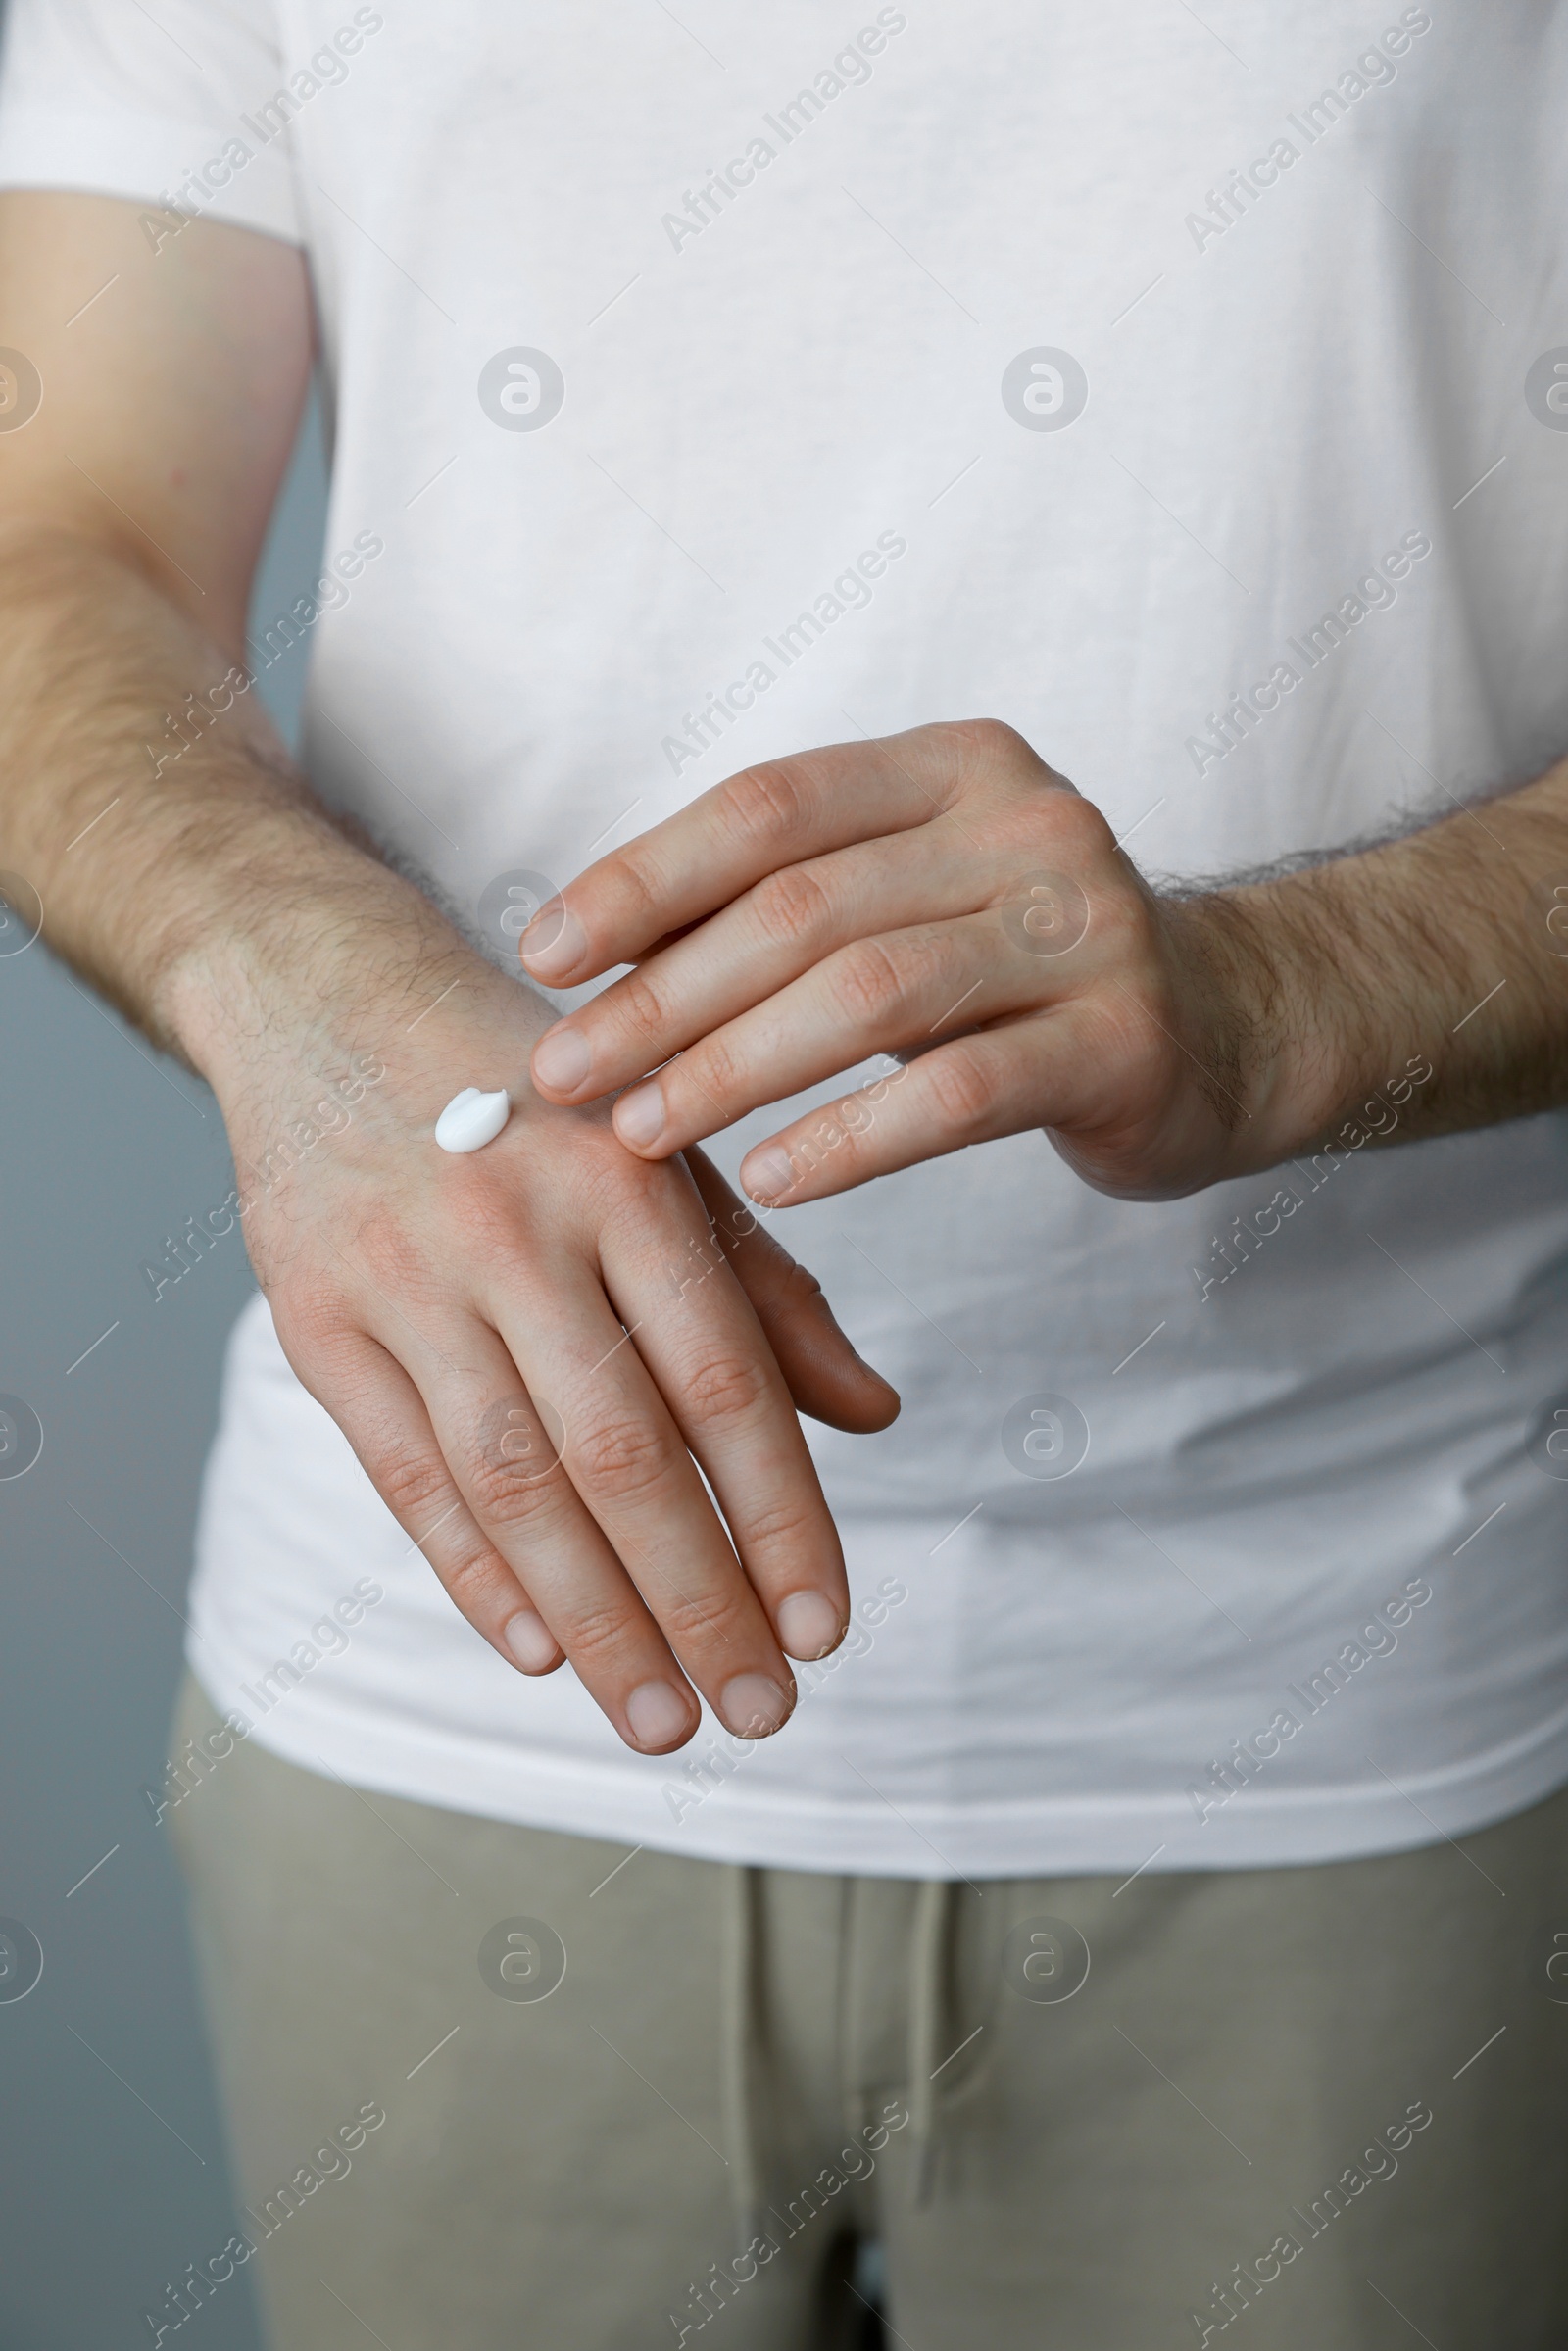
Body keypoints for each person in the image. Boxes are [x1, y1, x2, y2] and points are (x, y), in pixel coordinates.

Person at [2, 1, 1566, 2343]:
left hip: (1360, 1685)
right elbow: (58, 537)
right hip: (447, 1659)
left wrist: (1290, 989)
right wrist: (285, 973)